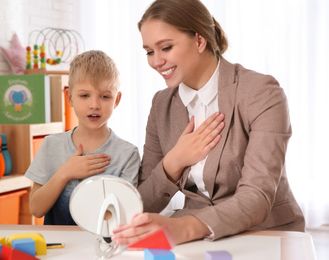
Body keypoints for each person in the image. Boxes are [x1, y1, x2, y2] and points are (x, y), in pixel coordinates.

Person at [112, 0, 305, 245]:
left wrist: (183, 228)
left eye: (166, 47)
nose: (156, 61)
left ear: (200, 40)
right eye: (149, 51)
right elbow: (143, 203)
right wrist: (174, 162)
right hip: (196, 238)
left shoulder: (260, 92)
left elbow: (257, 196)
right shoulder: (162, 104)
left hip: (265, 231)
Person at [25, 50, 140, 225]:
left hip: (104, 245)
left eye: (105, 96)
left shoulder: (127, 154)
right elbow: (36, 209)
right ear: (70, 97)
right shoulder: (51, 145)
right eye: (84, 95)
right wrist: (65, 173)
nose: (94, 105)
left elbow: (124, 216)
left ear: (116, 100)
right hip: (59, 247)